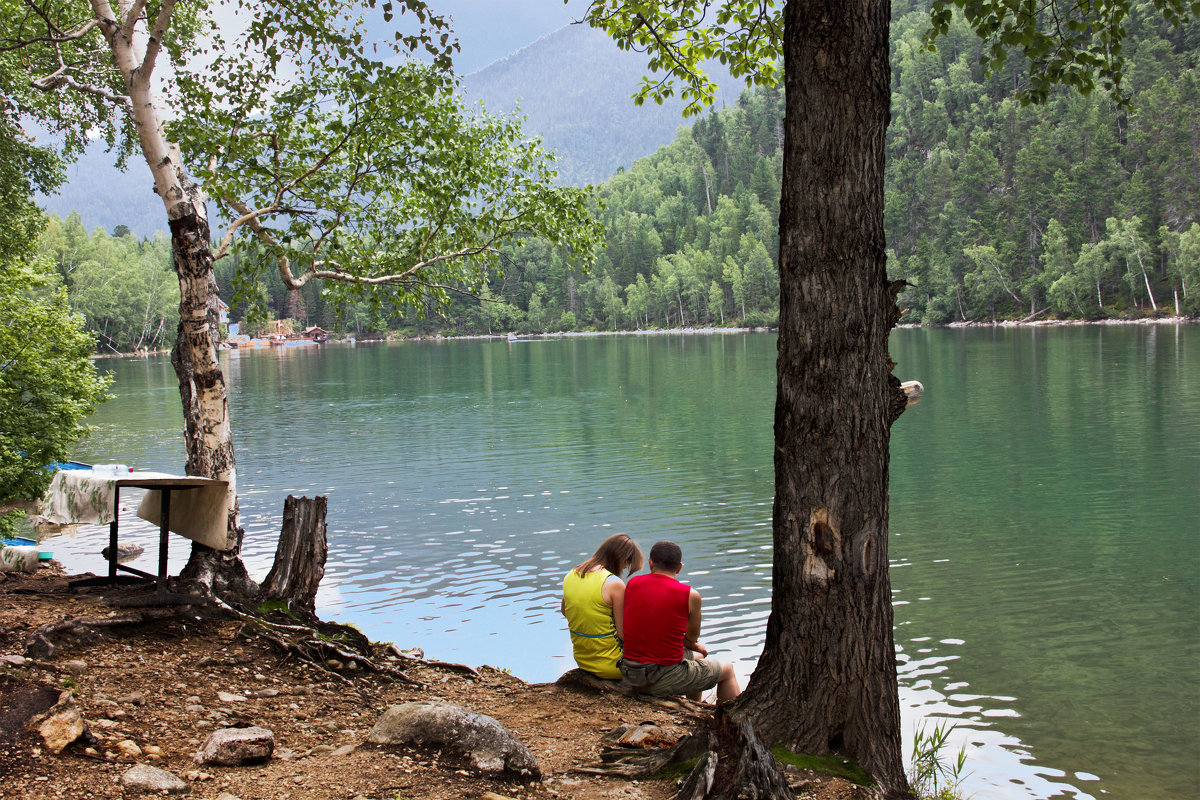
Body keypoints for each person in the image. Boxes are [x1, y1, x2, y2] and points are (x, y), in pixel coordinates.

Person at [619, 541, 741, 702]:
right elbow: (692, 637)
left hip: (630, 673)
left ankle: (695, 705)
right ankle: (733, 720)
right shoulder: (690, 595)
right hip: (659, 678)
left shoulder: (633, 584)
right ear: (679, 568)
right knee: (727, 670)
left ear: (650, 563)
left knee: (698, 657)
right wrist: (693, 644)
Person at [561, 533, 644, 680]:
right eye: (627, 562)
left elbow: (565, 611)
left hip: (583, 660)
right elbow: (622, 634)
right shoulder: (614, 584)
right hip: (613, 665)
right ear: (620, 558)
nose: (625, 566)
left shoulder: (571, 575)